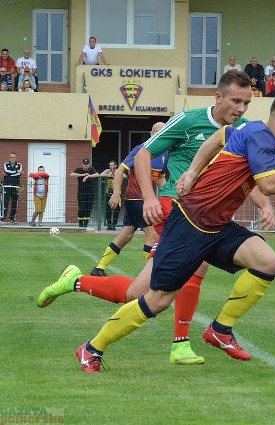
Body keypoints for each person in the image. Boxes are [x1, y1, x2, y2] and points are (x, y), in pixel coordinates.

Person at [72, 89, 275, 372]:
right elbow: (270, 184)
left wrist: (192, 171)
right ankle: (91, 348)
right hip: (189, 224)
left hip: (216, 225)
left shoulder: (249, 129)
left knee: (269, 262)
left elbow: (218, 137)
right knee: (157, 299)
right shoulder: (260, 136)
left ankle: (220, 330)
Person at [37, 71, 259, 367]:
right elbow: (142, 154)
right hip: (175, 206)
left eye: (247, 103)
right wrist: (150, 198)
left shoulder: (243, 130)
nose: (241, 109)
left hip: (203, 212)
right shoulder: (189, 120)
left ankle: (75, 282)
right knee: (198, 264)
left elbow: (249, 176)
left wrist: (264, 205)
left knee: (136, 293)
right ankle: (180, 344)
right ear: (218, 97)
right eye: (236, 101)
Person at [91, 123, 168, 277]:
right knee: (153, 235)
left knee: (126, 235)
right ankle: (149, 276)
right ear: (151, 133)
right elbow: (120, 170)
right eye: (158, 132)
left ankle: (99, 268)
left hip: (143, 200)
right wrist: (116, 192)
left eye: (164, 132)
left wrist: (171, 192)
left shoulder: (165, 153)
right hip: (136, 198)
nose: (160, 135)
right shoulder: (141, 149)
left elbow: (160, 179)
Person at [71, 158, 99, 227]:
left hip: (90, 193)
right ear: (82, 164)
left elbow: (97, 174)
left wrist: (88, 176)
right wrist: (82, 175)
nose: (86, 165)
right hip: (81, 193)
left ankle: (86, 224)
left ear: (89, 164)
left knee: (88, 209)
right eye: (84, 164)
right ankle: (81, 224)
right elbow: (72, 174)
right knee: (82, 208)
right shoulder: (79, 169)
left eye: (87, 164)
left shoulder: (91, 169)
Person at [100, 160, 120, 230]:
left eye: (112, 165)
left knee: (116, 209)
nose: (111, 167)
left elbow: (124, 175)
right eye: (110, 165)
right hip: (108, 192)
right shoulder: (107, 170)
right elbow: (100, 174)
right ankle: (109, 224)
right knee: (107, 209)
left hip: (117, 193)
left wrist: (116, 175)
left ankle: (114, 224)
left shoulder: (118, 170)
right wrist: (108, 175)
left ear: (116, 165)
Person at [2, 153, 22, 224]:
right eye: (11, 157)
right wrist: (16, 171)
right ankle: (2, 218)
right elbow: (6, 171)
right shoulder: (5, 164)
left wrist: (10, 173)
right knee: (5, 202)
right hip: (6, 186)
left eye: (13, 157)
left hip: (15, 186)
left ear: (16, 158)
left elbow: (18, 174)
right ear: (9, 158)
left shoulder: (19, 165)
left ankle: (12, 219)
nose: (12, 158)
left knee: (14, 203)